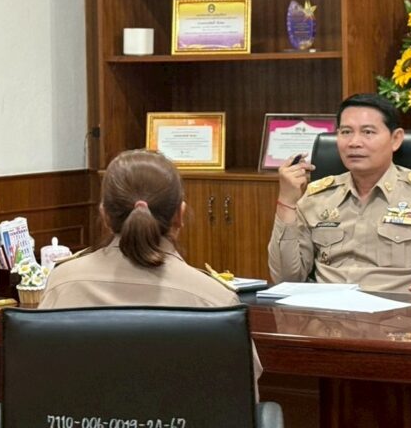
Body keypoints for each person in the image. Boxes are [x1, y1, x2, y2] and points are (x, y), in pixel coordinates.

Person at [40, 149, 262, 387]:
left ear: (105, 216)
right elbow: (244, 391)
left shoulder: (61, 283)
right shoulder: (215, 299)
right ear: (180, 215)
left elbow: (39, 373)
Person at [267, 93, 411, 298]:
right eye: (346, 132)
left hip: (400, 313)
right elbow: (286, 279)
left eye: (368, 132)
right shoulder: (316, 196)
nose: (354, 142)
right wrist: (287, 201)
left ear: (396, 139)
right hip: (328, 312)